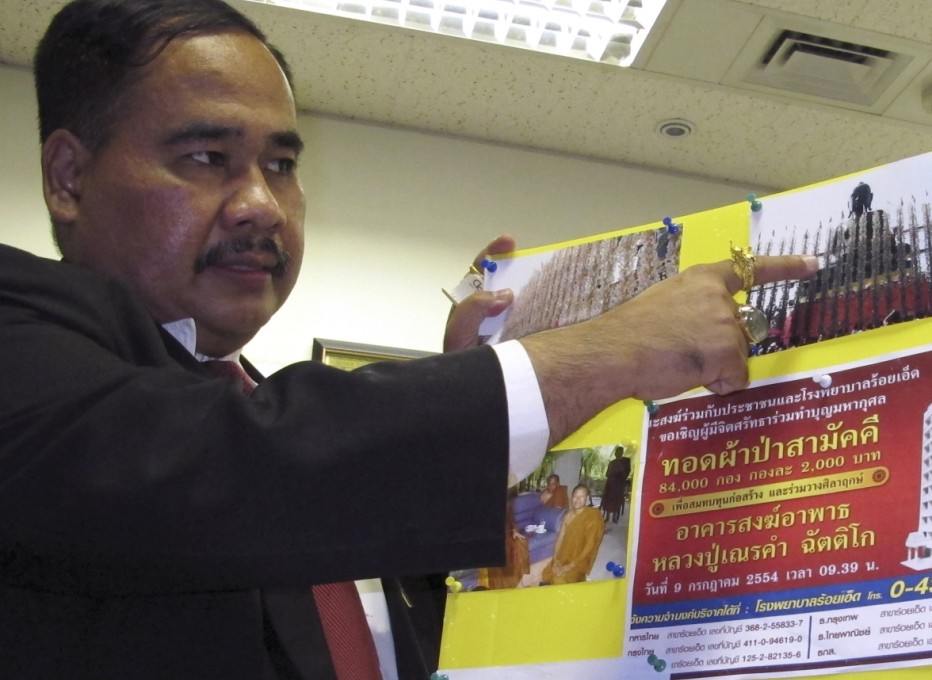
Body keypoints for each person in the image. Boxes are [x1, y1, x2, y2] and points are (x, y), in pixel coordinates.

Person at [0, 0, 817, 677]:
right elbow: (206, 471)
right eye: (209, 156)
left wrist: (462, 384)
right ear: (68, 177)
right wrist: (592, 355)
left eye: (282, 166)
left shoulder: (273, 438)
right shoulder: (24, 333)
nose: (261, 204)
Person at [541, 485, 606, 585]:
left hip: (580, 560)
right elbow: (560, 539)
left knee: (559, 580)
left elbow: (590, 545)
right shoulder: (567, 516)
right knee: (547, 573)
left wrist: (570, 566)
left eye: (581, 496)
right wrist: (555, 559)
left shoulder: (593, 516)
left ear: (587, 499)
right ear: (572, 498)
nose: (577, 499)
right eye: (575, 496)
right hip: (565, 555)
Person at [601, 445, 631, 524]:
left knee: (616, 500)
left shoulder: (625, 462)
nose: (617, 453)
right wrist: (612, 473)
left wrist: (619, 473)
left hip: (618, 485)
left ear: (622, 453)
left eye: (619, 452)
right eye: (616, 452)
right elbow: (607, 474)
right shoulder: (612, 463)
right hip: (610, 484)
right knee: (607, 500)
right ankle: (607, 517)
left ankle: (614, 517)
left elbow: (626, 473)